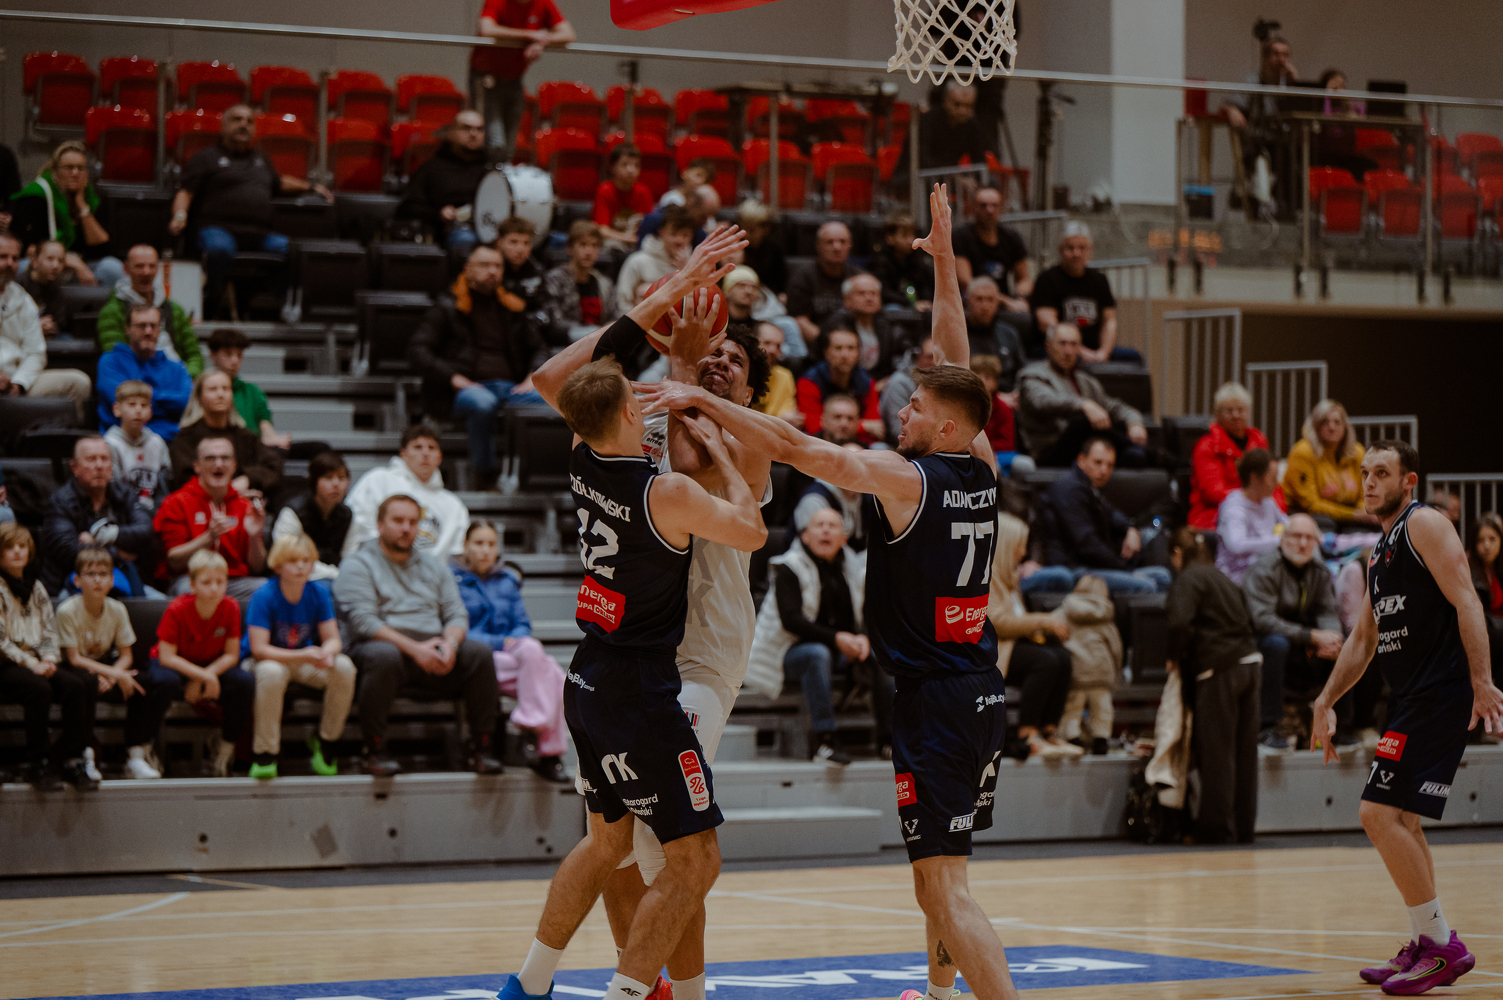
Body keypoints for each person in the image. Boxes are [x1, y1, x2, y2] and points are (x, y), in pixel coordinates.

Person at [638, 184, 1028, 1000]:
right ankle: (939, 994)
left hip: (935, 700)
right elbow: (953, 362)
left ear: (943, 429)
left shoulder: (905, 478)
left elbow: (797, 448)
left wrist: (700, 395)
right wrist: (944, 264)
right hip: (978, 689)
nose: (902, 410)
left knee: (946, 887)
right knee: (939, 877)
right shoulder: (979, 465)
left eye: (916, 408)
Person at [497, 262, 769, 1000]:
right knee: (629, 849)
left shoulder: (745, 437)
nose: (719, 359)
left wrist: (681, 362)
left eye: (734, 360)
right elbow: (561, 386)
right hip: (635, 659)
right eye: (712, 351)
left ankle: (660, 988)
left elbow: (686, 464)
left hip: (698, 657)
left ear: (751, 392)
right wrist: (664, 315)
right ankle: (647, 985)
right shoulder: (639, 422)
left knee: (664, 850)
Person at [1310, 441, 1501, 994]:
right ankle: (1427, 940)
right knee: (1404, 821)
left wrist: (1482, 680)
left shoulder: (1426, 525)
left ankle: (1442, 948)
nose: (1369, 482)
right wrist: (1325, 700)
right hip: (1412, 698)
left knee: (1377, 814)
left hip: (1442, 693)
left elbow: (1468, 601)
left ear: (1409, 480)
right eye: (1364, 473)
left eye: (1382, 473)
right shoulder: (1379, 550)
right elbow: (1363, 639)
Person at [334, 495, 501, 776]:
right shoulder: (357, 565)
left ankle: (481, 749)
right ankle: (374, 750)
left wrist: (449, 645)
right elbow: (364, 623)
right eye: (398, 521)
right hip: (384, 652)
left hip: (433, 653)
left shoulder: (434, 565)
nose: (406, 528)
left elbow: (456, 614)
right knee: (383, 656)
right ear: (380, 524)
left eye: (413, 522)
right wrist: (415, 649)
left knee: (479, 653)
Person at [746, 506, 892, 764]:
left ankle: (888, 740)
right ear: (805, 536)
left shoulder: (854, 569)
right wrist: (837, 639)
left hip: (836, 650)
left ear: (844, 537)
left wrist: (864, 637)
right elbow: (791, 620)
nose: (825, 530)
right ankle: (825, 740)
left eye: (832, 526)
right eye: (819, 525)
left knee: (880, 654)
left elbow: (870, 612)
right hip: (785, 651)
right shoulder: (788, 567)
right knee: (817, 653)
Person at [170, 105, 331, 318]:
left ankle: (279, 305)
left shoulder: (260, 159)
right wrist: (180, 216)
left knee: (292, 251)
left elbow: (279, 182)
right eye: (237, 119)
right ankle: (211, 301)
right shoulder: (206, 157)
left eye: (249, 121)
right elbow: (186, 192)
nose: (243, 125)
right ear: (223, 126)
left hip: (258, 235)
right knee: (219, 249)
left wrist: (311, 187)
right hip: (218, 229)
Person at [409, 245, 548, 489]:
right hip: (462, 390)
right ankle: (485, 475)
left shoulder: (512, 308)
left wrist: (532, 376)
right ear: (467, 270)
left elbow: (540, 349)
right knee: (482, 403)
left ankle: (534, 476)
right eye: (485, 265)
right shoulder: (447, 307)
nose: (492, 271)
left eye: (498, 266)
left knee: (551, 401)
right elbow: (417, 350)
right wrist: (454, 378)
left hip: (511, 389)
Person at [451, 519, 569, 782]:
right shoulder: (451, 580)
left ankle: (533, 726)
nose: (485, 550)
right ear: (465, 546)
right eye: (478, 543)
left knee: (532, 649)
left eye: (491, 544)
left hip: (511, 657)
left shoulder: (507, 580)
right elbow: (455, 628)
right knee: (552, 675)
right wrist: (500, 642)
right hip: (475, 658)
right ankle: (549, 754)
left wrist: (515, 640)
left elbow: (522, 624)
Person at [1166, 526, 1262, 844]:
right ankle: (1243, 827)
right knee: (1245, 752)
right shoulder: (1223, 577)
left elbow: (1179, 621)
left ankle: (1216, 830)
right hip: (1251, 663)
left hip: (1219, 669)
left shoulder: (1189, 578)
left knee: (1218, 752)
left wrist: (1174, 655)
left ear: (1177, 554)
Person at [244, 534, 355, 781]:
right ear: (278, 565)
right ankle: (265, 753)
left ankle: (326, 742)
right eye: (293, 560)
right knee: (271, 672)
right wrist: (304, 654)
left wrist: (327, 652)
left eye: (306, 560)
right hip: (264, 661)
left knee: (344, 667)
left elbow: (333, 639)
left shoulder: (319, 592)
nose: (301, 566)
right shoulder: (264, 595)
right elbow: (259, 649)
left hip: (301, 660)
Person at [0, 522, 93, 791]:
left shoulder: (37, 587)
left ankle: (73, 760)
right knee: (38, 688)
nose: (17, 551)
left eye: (22, 546)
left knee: (76, 685)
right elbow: (1, 641)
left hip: (39, 661)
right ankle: (38, 763)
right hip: (7, 663)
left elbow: (49, 630)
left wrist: (50, 659)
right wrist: (33, 664)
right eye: (9, 547)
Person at [1245, 513, 1348, 753]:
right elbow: (1262, 620)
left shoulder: (1319, 571)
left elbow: (1328, 612)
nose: (1302, 543)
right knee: (1276, 644)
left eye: (1309, 538)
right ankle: (1268, 728)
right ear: (1282, 540)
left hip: (1301, 642)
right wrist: (1311, 636)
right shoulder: (1264, 569)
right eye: (1296, 536)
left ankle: (1342, 728)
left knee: (1344, 648)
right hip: (1263, 640)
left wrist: (1333, 638)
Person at [56, 547, 159, 780]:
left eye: (103, 574)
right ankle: (85, 755)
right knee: (85, 684)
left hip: (104, 668)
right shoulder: (67, 611)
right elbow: (74, 658)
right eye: (91, 574)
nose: (97, 580)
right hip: (74, 670)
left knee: (142, 682)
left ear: (112, 580)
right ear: (77, 580)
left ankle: (135, 756)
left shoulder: (117, 609)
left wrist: (113, 675)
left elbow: (126, 656)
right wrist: (115, 674)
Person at [150, 550, 254, 777]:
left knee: (244, 683)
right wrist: (203, 676)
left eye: (220, 582)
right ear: (192, 585)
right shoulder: (177, 608)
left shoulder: (231, 607)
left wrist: (205, 675)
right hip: (175, 665)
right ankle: (146, 746)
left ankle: (225, 745)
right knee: (163, 682)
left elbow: (232, 655)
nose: (214, 588)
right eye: (206, 582)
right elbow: (167, 657)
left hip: (210, 664)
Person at [986, 512, 1079, 760]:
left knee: (1063, 657)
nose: (1023, 552)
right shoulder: (986, 577)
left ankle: (1049, 731)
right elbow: (998, 623)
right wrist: (1044, 622)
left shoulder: (1010, 576)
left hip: (1015, 646)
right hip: (995, 652)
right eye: (1019, 545)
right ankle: (1028, 734)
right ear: (1005, 543)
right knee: (1045, 662)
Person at [1035, 437, 1171, 594]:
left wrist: (1130, 529)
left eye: (1110, 465)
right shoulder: (1068, 489)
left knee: (1163, 576)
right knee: (1145, 586)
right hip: (1075, 570)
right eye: (1098, 462)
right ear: (1081, 460)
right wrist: (1122, 569)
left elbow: (1111, 513)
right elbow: (1086, 544)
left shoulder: (1089, 487)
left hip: (1096, 567)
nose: (1104, 470)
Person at [153, 435, 267, 603]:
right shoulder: (176, 502)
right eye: (210, 458)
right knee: (187, 590)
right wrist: (209, 537)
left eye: (225, 458)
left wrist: (254, 536)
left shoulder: (245, 506)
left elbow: (257, 567)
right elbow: (174, 562)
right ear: (197, 466)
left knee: (268, 591)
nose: (218, 464)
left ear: (234, 466)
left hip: (234, 581)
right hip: (191, 580)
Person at [1016, 324, 1148, 467]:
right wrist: (1084, 405)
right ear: (1048, 346)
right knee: (1082, 421)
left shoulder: (1085, 381)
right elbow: (1043, 401)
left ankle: (1141, 454)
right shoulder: (1032, 376)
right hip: (1049, 451)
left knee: (1131, 457)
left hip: (1087, 450)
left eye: (1073, 345)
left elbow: (1115, 407)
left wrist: (1134, 423)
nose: (1068, 351)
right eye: (1062, 343)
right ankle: (1143, 451)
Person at [40, 436, 156, 596]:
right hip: (72, 586)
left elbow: (145, 531)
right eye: (91, 459)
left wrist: (104, 537)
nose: (99, 466)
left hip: (123, 581)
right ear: (74, 467)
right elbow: (68, 550)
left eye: (104, 459)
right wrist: (119, 555)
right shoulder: (60, 501)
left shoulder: (125, 494)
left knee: (162, 603)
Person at [344, 422, 471, 560]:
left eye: (431, 448)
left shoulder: (454, 506)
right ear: (403, 454)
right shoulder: (378, 480)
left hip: (433, 572)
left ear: (439, 457)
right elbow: (359, 530)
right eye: (417, 447)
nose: (425, 453)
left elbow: (458, 556)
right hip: (379, 566)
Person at [8, 140, 123, 287]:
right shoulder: (37, 197)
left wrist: (82, 206)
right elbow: (28, 249)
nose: (75, 173)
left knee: (112, 268)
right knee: (22, 267)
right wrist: (68, 260)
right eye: (68, 167)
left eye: (80, 168)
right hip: (47, 264)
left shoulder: (95, 199)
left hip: (84, 264)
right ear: (55, 171)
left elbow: (104, 249)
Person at [472, 0, 575, 163]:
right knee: (494, 141)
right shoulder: (497, 1)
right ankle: (487, 176)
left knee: (510, 142)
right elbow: (487, 29)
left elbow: (568, 34)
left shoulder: (543, 3)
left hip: (515, 78)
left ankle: (502, 175)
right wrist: (529, 35)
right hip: (486, 77)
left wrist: (542, 41)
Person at [0, 232, 91, 415]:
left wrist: (18, 383)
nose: (10, 263)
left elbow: (36, 353)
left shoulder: (23, 299)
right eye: (3, 257)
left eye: (15, 258)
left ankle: (65, 433)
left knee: (78, 382)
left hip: (17, 378)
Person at [1029, 222, 1137, 364]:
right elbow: (1048, 325)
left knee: (1134, 357)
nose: (1076, 253)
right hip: (1059, 350)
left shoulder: (1100, 280)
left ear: (1090, 251)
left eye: (1082, 248)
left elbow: (1109, 322)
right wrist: (1082, 352)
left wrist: (1103, 353)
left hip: (1095, 349)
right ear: (1060, 250)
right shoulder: (1047, 279)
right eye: (1070, 248)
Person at [95, 244, 205, 378]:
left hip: (179, 378)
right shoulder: (112, 311)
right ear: (126, 268)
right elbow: (116, 359)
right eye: (139, 266)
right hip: (138, 381)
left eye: (151, 266)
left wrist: (182, 378)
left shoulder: (174, 309)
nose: (146, 272)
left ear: (157, 269)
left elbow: (195, 356)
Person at [1222, 34, 1299, 219]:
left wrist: (1295, 84)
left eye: (1285, 55)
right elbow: (1229, 103)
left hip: (1288, 145)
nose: (1281, 60)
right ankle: (1258, 209)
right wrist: (1231, 109)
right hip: (1260, 144)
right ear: (1265, 57)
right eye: (1276, 54)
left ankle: (1292, 214)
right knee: (1261, 160)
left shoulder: (1291, 84)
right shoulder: (1253, 83)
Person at [169, 372, 285, 495]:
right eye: (212, 389)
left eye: (225, 388)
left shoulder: (245, 436)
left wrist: (247, 479)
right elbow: (184, 481)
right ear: (199, 398)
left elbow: (274, 467)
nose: (220, 394)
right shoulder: (185, 439)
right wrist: (229, 493)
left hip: (244, 502)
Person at [395, 110, 489, 254]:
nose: (473, 134)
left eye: (479, 129)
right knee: (466, 240)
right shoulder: (431, 169)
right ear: (451, 132)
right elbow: (407, 208)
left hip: (487, 228)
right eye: (466, 128)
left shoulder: (490, 172)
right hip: (444, 233)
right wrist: (438, 214)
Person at [96, 303, 194, 440]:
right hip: (124, 442)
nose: (148, 332)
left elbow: (186, 403)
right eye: (141, 326)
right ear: (127, 329)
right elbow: (123, 403)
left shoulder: (176, 368)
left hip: (172, 441)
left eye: (153, 326)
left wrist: (146, 397)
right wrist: (168, 403)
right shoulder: (111, 362)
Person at [1189, 382, 1281, 530]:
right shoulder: (1207, 445)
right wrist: (1252, 499)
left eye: (1240, 410)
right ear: (1218, 414)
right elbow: (1213, 493)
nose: (1236, 415)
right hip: (1214, 513)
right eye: (1229, 410)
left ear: (1248, 412)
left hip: (1256, 509)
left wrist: (1277, 508)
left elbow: (1272, 484)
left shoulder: (1259, 441)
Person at [1054, 573, 1122, 754]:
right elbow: (1115, 647)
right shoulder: (1104, 614)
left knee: (1073, 708)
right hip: (1102, 672)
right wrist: (1117, 670)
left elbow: (1051, 627)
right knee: (1102, 709)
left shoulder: (1066, 611)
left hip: (1076, 671)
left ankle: (1073, 738)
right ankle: (1101, 739)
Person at [1283, 399, 1374, 529]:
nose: (1332, 427)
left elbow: (1363, 495)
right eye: (1325, 422)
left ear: (1345, 427)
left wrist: (1365, 512)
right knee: (1327, 523)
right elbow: (1311, 504)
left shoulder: (1357, 452)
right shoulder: (1302, 452)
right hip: (1307, 513)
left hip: (1347, 514)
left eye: (1337, 422)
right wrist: (1353, 515)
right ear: (1315, 426)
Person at [272, 450, 353, 582]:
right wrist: (335, 574)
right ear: (314, 482)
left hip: (336, 578)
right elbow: (288, 557)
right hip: (296, 577)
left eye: (342, 478)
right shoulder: (292, 512)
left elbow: (351, 557)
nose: (336, 484)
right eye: (328, 478)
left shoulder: (348, 515)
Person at [795, 329, 884, 443]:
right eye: (838, 348)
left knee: (880, 447)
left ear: (858, 354)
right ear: (827, 353)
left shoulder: (867, 382)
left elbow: (876, 428)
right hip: (820, 441)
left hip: (856, 443)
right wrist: (862, 426)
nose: (845, 355)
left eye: (851, 348)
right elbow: (812, 427)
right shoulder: (809, 382)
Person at [1215, 447, 1288, 585]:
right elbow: (1236, 545)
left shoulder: (1268, 502)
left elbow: (1286, 523)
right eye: (1272, 478)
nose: (1276, 483)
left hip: (1265, 571)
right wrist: (1278, 541)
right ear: (1254, 478)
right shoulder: (1234, 508)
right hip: (1235, 578)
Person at [954, 188, 1032, 317]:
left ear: (1001, 209)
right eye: (983, 205)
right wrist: (1004, 301)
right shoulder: (961, 237)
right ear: (973, 207)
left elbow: (1024, 279)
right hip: (970, 303)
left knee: (1025, 317)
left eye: (994, 206)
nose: (989, 210)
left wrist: (1021, 298)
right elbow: (965, 282)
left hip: (1002, 305)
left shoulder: (1011, 237)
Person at [205, 327, 287, 447]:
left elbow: (265, 426)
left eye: (239, 355)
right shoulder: (203, 389)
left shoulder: (252, 391)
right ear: (213, 354)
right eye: (228, 354)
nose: (235, 361)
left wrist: (273, 439)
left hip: (251, 448)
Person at [786, 221, 863, 347]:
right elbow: (800, 320)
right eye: (829, 242)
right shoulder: (803, 276)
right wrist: (828, 344)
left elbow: (868, 319)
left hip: (853, 344)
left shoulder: (860, 278)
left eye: (842, 242)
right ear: (818, 246)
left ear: (850, 246)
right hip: (817, 344)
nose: (837, 247)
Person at [543, 220, 620, 343]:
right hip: (567, 345)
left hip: (599, 344)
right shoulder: (555, 279)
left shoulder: (605, 283)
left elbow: (614, 317)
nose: (589, 252)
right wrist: (591, 332)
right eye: (583, 245)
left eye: (594, 245)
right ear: (570, 248)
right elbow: (555, 323)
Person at [896, 82, 992, 180]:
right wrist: (956, 179)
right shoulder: (927, 120)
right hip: (912, 178)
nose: (962, 111)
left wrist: (982, 184)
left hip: (947, 178)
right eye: (957, 104)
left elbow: (979, 160)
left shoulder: (971, 124)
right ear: (946, 100)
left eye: (968, 106)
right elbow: (922, 160)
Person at [820, 273, 903, 380]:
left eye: (873, 293)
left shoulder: (888, 325)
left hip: (880, 383)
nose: (869, 298)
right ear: (847, 299)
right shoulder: (835, 326)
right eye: (861, 293)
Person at [106, 381, 173, 513]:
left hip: (154, 510)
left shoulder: (157, 442)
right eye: (132, 404)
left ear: (150, 411)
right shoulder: (110, 444)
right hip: (123, 511)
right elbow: (114, 490)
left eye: (143, 405)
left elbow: (165, 486)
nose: (138, 410)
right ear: (117, 409)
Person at [615, 205, 695, 315]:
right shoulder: (638, 261)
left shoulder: (693, 265)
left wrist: (685, 271)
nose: (679, 240)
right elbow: (622, 302)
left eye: (685, 235)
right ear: (662, 232)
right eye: (674, 234)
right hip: (640, 322)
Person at [963, 277, 1025, 390]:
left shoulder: (1009, 334)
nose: (985, 306)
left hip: (1006, 394)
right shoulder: (957, 335)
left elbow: (1021, 372)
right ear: (968, 300)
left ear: (997, 303)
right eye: (979, 299)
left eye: (990, 300)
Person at [866, 210, 934, 310]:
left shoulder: (917, 258)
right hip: (890, 306)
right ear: (890, 238)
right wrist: (911, 304)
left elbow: (925, 285)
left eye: (912, 235)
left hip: (916, 306)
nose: (910, 240)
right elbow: (884, 292)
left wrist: (925, 302)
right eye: (904, 235)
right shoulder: (879, 261)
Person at [1466, 512, 1503, 691]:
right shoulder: (1467, 570)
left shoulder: (1500, 570)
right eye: (1480, 540)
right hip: (1483, 639)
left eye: (1492, 539)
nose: (1486, 545)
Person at [593, 144, 655, 250]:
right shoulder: (605, 190)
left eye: (636, 165)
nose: (631, 170)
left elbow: (649, 228)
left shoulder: (643, 192)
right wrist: (628, 238)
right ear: (612, 167)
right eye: (625, 164)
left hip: (636, 243)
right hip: (612, 243)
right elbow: (602, 230)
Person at [881, 337, 938, 444]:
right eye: (930, 357)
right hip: (899, 445)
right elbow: (898, 429)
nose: (934, 362)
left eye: (938, 358)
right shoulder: (900, 382)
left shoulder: (941, 382)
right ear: (919, 356)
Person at [17, 239, 70, 336]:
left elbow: (60, 323)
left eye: (60, 261)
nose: (56, 265)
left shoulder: (56, 289)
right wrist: (35, 325)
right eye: (50, 259)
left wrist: (51, 326)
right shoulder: (18, 285)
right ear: (34, 260)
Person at [736, 199, 788, 296]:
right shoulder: (735, 248)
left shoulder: (774, 250)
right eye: (744, 228)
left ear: (765, 228)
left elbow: (781, 284)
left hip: (766, 297)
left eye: (751, 230)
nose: (746, 234)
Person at [753, 321, 798, 424]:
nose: (773, 350)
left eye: (778, 346)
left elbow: (787, 417)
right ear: (752, 344)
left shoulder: (784, 376)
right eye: (767, 343)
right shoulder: (738, 371)